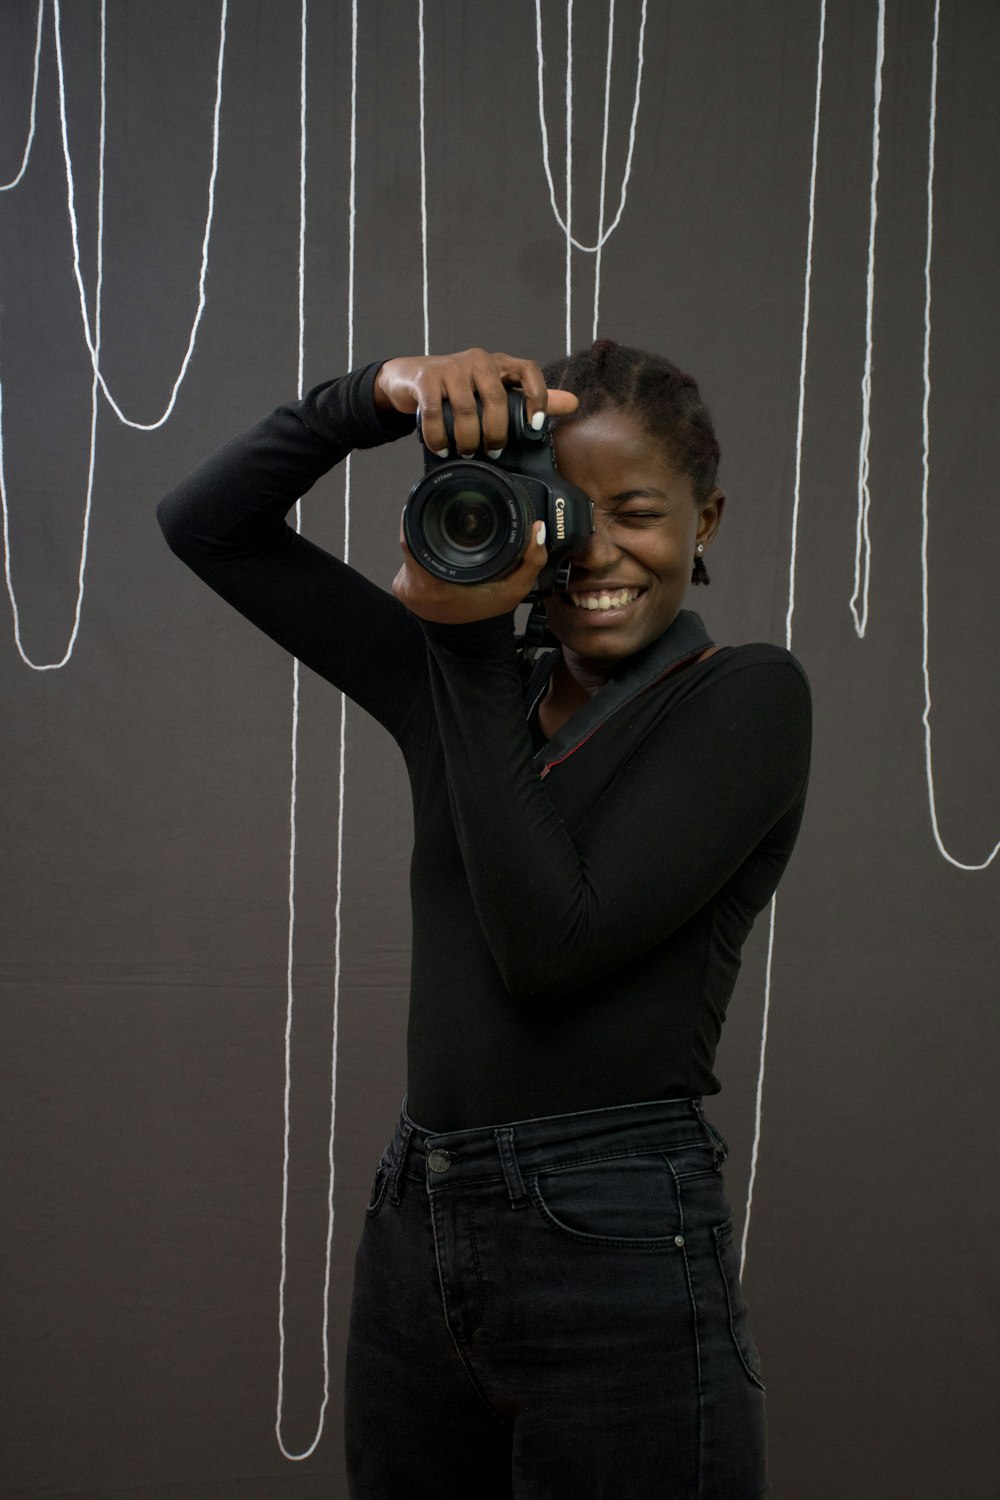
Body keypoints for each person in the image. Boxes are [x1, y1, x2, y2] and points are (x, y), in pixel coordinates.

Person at [157, 342, 811, 1499]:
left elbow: (549, 944)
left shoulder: (747, 699)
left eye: (639, 513)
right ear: (519, 514)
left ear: (704, 519)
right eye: (562, 513)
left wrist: (462, 645)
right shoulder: (454, 688)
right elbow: (206, 524)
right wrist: (376, 395)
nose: (597, 554)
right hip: (419, 1221)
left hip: (614, 1233)